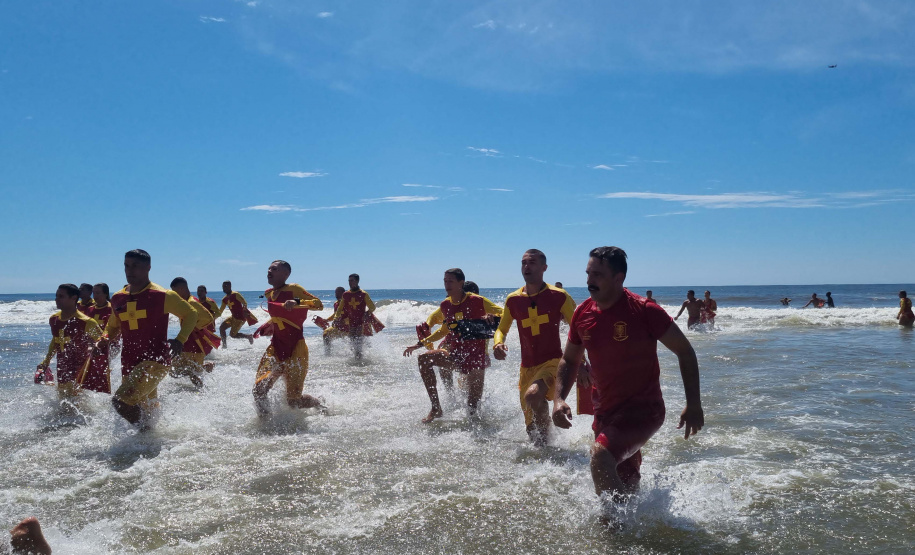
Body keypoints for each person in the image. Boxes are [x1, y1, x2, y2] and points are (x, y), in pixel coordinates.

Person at [552, 246, 704, 501]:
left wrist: (694, 404)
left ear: (618, 278)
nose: (589, 281)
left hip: (643, 410)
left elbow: (685, 352)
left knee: (600, 457)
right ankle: (640, 524)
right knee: (624, 476)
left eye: (597, 275)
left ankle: (614, 532)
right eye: (588, 274)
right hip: (605, 410)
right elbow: (569, 359)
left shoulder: (644, 311)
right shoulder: (582, 313)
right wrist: (558, 399)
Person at [95, 249, 198, 426]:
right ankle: (157, 442)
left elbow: (191, 314)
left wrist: (180, 339)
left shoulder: (163, 295)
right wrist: (103, 339)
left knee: (120, 402)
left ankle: (145, 436)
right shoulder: (118, 298)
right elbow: (112, 326)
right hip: (129, 361)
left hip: (155, 361)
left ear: (148, 267)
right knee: (147, 406)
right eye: (126, 266)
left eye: (135, 266)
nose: (129, 271)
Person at [493, 249, 576, 444]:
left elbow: (579, 329)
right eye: (523, 263)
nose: (526, 267)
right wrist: (498, 343)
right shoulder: (513, 299)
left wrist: (581, 362)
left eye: (532, 263)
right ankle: (550, 448)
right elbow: (501, 329)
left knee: (533, 395)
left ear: (544, 268)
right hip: (527, 367)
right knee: (533, 432)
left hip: (553, 362)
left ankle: (549, 444)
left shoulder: (559, 296)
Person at [403, 268, 502, 423]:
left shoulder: (477, 300)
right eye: (445, 281)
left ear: (461, 283)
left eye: (450, 281)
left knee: (472, 410)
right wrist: (419, 344)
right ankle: (436, 408)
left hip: (476, 360)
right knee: (423, 359)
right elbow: (444, 330)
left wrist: (493, 315)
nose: (446, 284)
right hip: (456, 356)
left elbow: (505, 313)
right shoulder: (445, 305)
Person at [252, 260, 325, 416]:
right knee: (258, 390)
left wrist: (296, 301)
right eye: (268, 268)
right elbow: (279, 315)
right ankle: (266, 425)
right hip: (276, 347)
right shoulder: (268, 293)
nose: (269, 271)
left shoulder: (294, 288)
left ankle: (319, 403)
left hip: (295, 349)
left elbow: (318, 304)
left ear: (286, 274)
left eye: (274, 269)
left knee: (293, 401)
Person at [36, 283, 105, 397]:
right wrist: (46, 362)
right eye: (56, 296)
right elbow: (56, 341)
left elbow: (103, 342)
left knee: (76, 401)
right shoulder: (54, 319)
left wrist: (97, 355)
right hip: (62, 366)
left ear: (73, 298)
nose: (56, 299)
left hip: (81, 366)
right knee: (63, 402)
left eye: (61, 296)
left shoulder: (87, 322)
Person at [169, 277, 220, 387]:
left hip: (194, 343)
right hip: (187, 341)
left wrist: (195, 326)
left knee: (190, 374)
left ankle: (204, 395)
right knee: (174, 372)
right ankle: (205, 367)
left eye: (175, 291)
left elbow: (208, 318)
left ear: (182, 288)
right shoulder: (186, 301)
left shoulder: (192, 302)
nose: (174, 294)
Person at [325, 274, 377, 359]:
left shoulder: (363, 294)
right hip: (351, 322)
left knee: (358, 342)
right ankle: (356, 361)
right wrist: (336, 318)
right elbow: (339, 308)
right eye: (349, 281)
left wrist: (367, 313)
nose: (350, 282)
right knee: (352, 342)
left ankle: (360, 362)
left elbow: (372, 307)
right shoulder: (346, 294)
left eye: (352, 280)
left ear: (357, 281)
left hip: (361, 322)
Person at [218, 281, 256, 347]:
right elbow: (220, 311)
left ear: (230, 286)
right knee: (222, 328)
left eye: (225, 286)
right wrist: (213, 317)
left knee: (233, 335)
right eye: (223, 287)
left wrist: (244, 309)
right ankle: (224, 346)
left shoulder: (236, 294)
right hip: (233, 317)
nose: (224, 288)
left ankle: (248, 336)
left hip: (240, 318)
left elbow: (244, 302)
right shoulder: (224, 299)